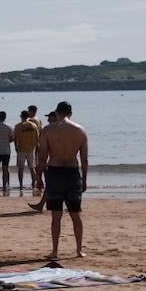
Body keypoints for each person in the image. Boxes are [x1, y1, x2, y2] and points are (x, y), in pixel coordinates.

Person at [35, 102, 88, 258]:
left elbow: (42, 157)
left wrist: (38, 178)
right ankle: (79, 250)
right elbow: (84, 160)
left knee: (56, 216)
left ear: (57, 113)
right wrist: (84, 179)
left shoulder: (47, 130)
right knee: (75, 214)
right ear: (70, 113)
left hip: (55, 173)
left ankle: (55, 251)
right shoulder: (80, 131)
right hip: (73, 174)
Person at [13, 111, 39, 190]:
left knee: (21, 168)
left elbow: (15, 138)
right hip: (31, 149)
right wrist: (36, 147)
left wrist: (16, 147)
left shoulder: (18, 126)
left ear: (21, 116)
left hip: (21, 149)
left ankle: (21, 185)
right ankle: (34, 184)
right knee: (32, 168)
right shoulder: (34, 126)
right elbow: (37, 138)